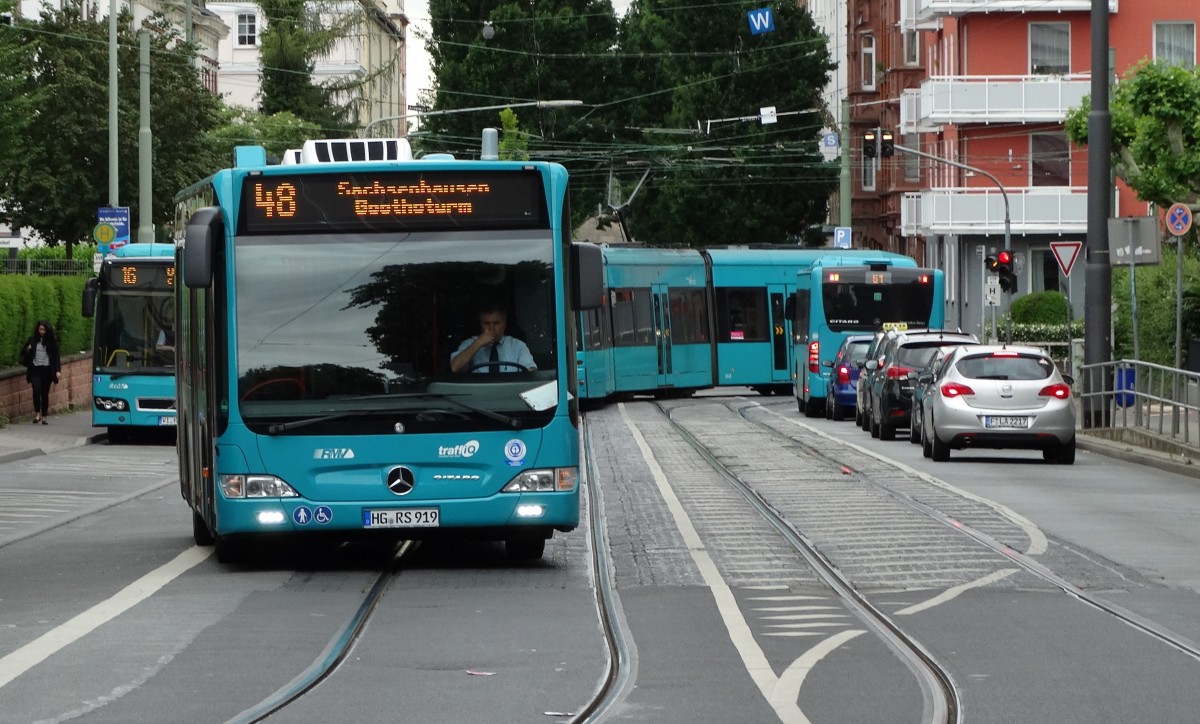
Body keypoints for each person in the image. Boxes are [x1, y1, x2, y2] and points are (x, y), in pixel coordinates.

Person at [450, 304, 536, 374]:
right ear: (481, 324)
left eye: (496, 323)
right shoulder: (469, 344)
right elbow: (455, 368)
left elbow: (531, 372)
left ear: (504, 325)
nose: (491, 328)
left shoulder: (518, 346)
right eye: (486, 323)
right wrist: (478, 343)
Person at [21, 320, 62, 425]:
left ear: (47, 330)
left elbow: (56, 357)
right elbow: (23, 352)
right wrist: (28, 349)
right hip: (35, 369)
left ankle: (44, 416)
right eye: (40, 329)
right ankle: (37, 414)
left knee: (44, 393)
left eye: (44, 330)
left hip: (47, 370)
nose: (42, 331)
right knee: (36, 390)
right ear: (37, 329)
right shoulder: (32, 339)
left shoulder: (52, 341)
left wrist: (58, 371)